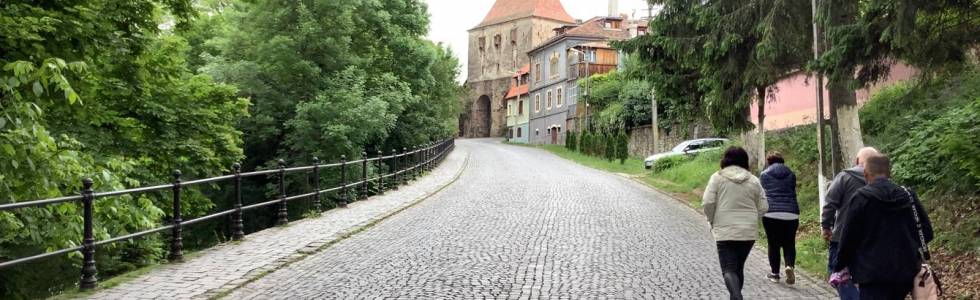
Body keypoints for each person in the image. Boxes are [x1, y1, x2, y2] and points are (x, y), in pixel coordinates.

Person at [833, 154, 934, 300]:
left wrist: (839, 265)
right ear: (889, 172)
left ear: (866, 174)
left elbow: (849, 237)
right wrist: (907, 246)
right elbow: (927, 232)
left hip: (871, 273)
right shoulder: (907, 195)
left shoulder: (861, 197)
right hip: (904, 272)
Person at [703, 147, 768, 300]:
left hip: (724, 230)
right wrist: (752, 219)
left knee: (728, 269)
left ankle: (737, 297)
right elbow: (764, 207)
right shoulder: (754, 180)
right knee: (738, 268)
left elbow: (707, 202)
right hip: (748, 232)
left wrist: (712, 219)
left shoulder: (717, 178)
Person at [822, 147, 879, 299]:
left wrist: (826, 227)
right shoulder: (882, 181)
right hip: (872, 240)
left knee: (839, 275)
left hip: (842, 237)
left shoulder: (844, 177)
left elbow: (829, 204)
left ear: (856, 161)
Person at [759, 152, 799, 285]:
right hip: (791, 212)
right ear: (782, 161)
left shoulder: (764, 175)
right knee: (789, 242)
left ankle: (775, 274)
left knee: (773, 243)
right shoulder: (791, 175)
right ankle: (789, 266)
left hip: (771, 213)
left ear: (769, 162)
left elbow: (762, 193)